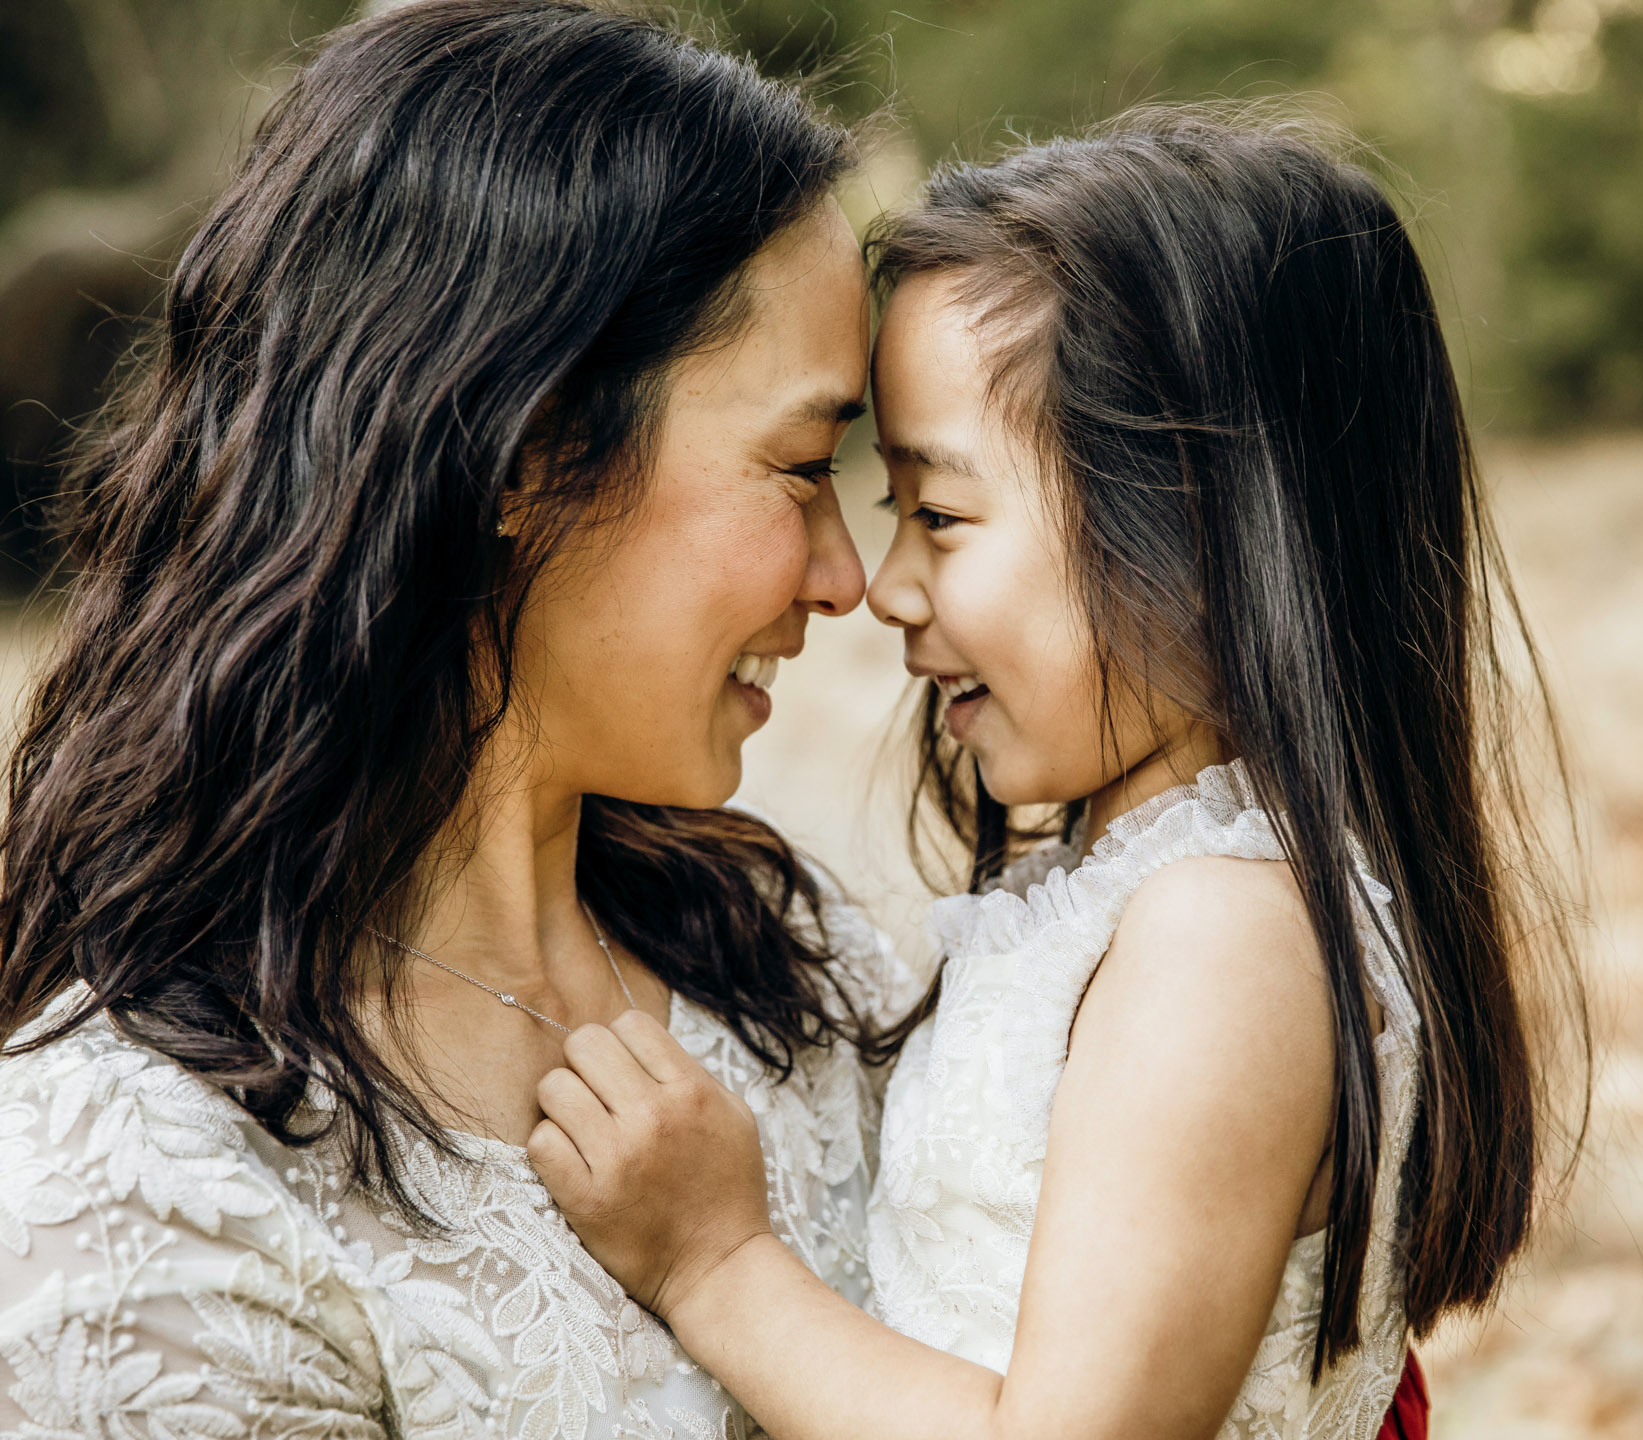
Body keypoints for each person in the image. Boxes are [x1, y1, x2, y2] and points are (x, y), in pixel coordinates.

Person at [0, 3, 906, 1436]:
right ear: (527, 453)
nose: (847, 577)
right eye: (803, 467)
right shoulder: (116, 1183)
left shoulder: (787, 964)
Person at [529, 110, 1583, 1440]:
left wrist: (717, 1265)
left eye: (945, 516)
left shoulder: (1224, 937)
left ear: (1195, 530)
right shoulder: (1141, 892)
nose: (886, 586)